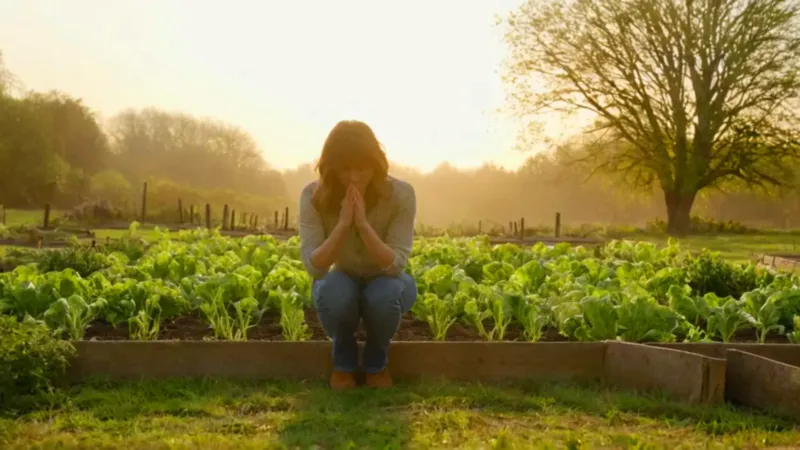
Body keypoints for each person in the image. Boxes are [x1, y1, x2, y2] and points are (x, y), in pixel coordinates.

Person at [298, 120, 417, 390]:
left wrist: (363, 225)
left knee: (383, 295)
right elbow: (315, 267)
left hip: (388, 281)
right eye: (345, 169)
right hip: (342, 278)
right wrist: (342, 225)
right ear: (331, 167)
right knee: (334, 292)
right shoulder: (312, 195)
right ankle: (344, 364)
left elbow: (395, 264)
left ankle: (377, 363)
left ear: (376, 164)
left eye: (361, 168)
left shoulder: (401, 194)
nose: (353, 177)